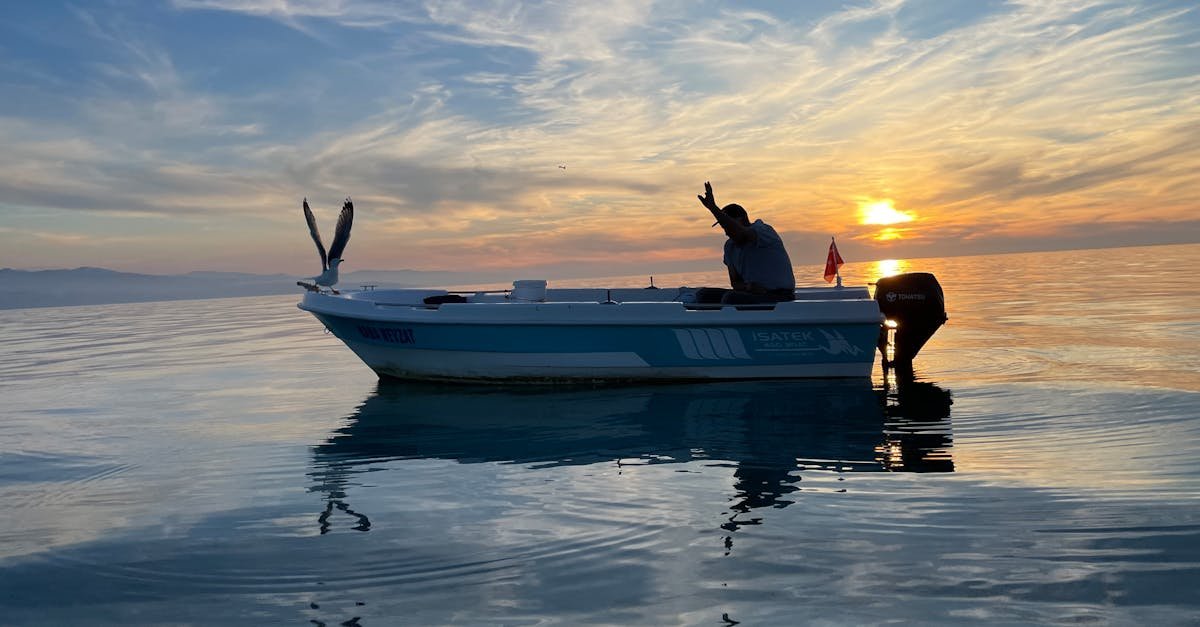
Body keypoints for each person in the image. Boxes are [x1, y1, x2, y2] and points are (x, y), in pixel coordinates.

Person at [697, 181, 796, 304]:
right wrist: (748, 287)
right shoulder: (729, 247)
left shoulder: (763, 231)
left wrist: (713, 208)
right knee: (703, 295)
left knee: (731, 299)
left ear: (741, 219)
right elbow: (735, 282)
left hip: (780, 296)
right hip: (751, 294)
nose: (726, 231)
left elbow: (742, 235)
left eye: (727, 225)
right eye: (723, 226)